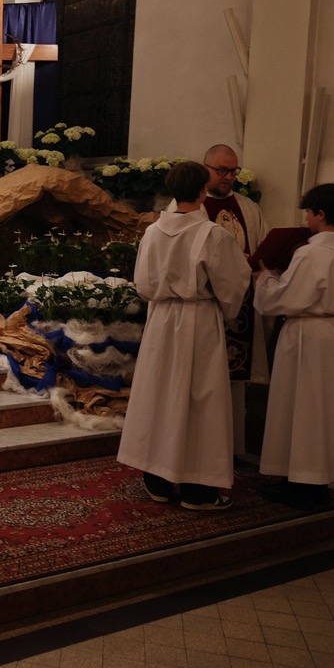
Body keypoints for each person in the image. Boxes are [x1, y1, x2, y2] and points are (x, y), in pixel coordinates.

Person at [118, 161, 250, 510]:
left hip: (161, 320)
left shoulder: (152, 232)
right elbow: (232, 286)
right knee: (200, 401)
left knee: (160, 395)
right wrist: (226, 308)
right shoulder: (213, 235)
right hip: (199, 320)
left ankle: (158, 481)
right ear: (203, 190)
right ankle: (197, 490)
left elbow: (143, 284)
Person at [253, 184, 334, 509]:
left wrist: (266, 278)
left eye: (308, 212)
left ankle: (302, 485)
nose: (306, 218)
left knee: (302, 407)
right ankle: (313, 478)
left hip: (308, 335)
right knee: (323, 409)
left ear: (320, 214)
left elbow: (284, 298)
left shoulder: (311, 253)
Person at [170, 145, 267, 459]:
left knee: (230, 383)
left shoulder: (249, 208)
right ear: (205, 170)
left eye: (233, 171)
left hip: (236, 303)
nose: (228, 177)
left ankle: (230, 447)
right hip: (209, 304)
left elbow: (262, 247)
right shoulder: (182, 211)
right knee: (199, 384)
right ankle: (199, 454)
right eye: (221, 170)